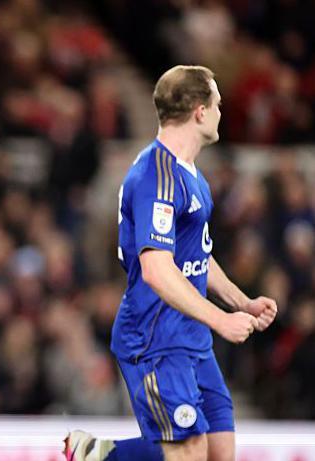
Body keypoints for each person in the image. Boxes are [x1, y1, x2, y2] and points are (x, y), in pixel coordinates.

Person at [64, 65, 278, 461]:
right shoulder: (155, 176)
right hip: (154, 336)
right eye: (216, 101)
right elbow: (157, 269)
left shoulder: (191, 174)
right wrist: (221, 319)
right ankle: (100, 455)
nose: (221, 109)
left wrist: (242, 302)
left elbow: (198, 257)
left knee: (219, 452)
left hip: (191, 336)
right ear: (199, 111)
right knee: (189, 452)